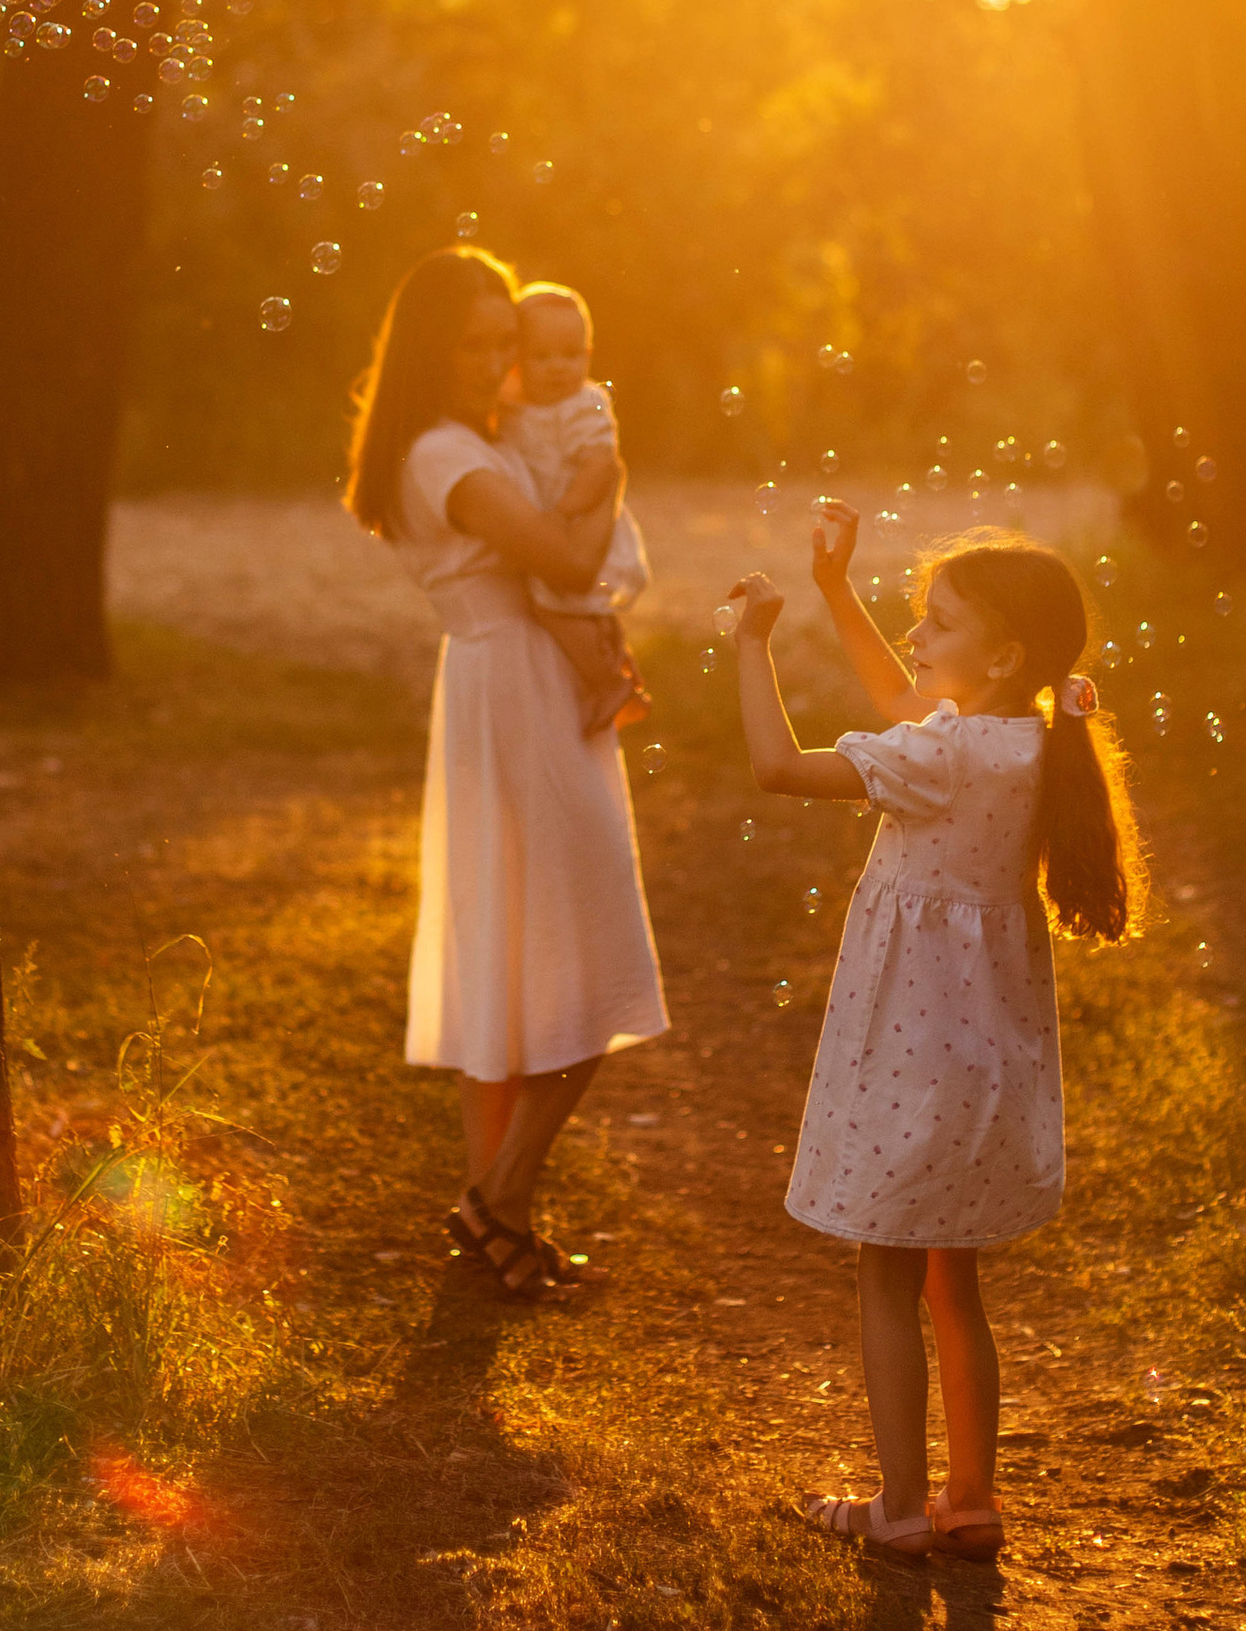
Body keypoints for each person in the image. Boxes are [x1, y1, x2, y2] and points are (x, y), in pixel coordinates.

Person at [720, 510, 1142, 1562]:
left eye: (937, 622)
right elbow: (909, 703)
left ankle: (899, 1508)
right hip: (987, 1054)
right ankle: (970, 1497)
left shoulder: (942, 754)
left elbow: (778, 767)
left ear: (1001, 655)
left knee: (883, 1275)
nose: (917, 638)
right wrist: (835, 592)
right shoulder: (1032, 739)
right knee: (955, 1276)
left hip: (910, 1050)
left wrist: (751, 641)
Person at [345, 246, 667, 1299]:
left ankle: (496, 1215)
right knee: (581, 954)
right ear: (430, 350)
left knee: (529, 961)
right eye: (476, 344)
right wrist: (608, 476)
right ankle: (497, 1199)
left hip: (515, 688)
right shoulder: (443, 455)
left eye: (506, 344)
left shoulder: (479, 441)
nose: (496, 364)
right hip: (511, 695)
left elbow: (563, 564)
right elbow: (571, 565)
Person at [502, 281, 651, 735]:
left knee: (552, 604)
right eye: (541, 356)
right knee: (584, 607)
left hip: (583, 522)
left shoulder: (584, 403)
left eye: (570, 355)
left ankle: (608, 682)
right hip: (557, 524)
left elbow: (600, 465)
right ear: (518, 361)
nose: (557, 368)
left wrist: (564, 513)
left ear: (587, 355)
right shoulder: (518, 407)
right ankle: (619, 670)